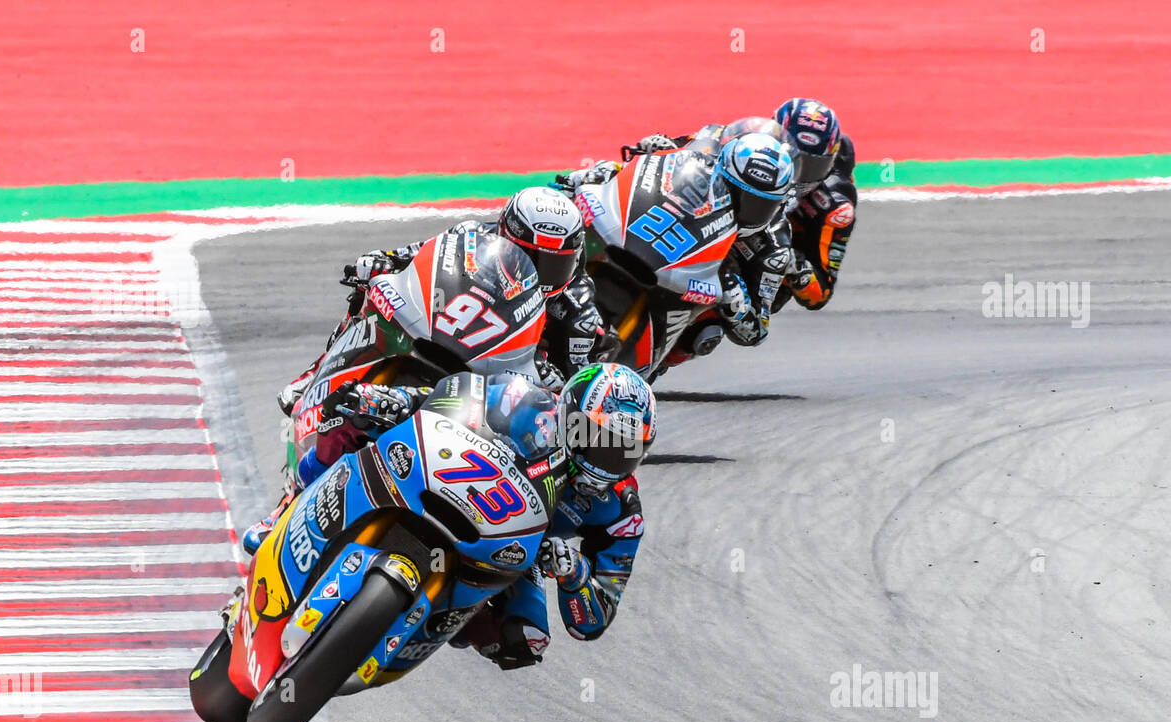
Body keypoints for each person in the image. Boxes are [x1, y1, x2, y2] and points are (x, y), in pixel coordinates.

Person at [292, 363, 657, 670]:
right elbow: (449, 397)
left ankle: (442, 622)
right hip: (456, 481)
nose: (609, 456)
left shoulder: (622, 510)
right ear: (572, 415)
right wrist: (399, 401)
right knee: (354, 412)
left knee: (527, 639)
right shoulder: (527, 402)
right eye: (602, 437)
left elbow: (593, 622)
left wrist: (573, 573)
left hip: (516, 547)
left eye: (625, 448)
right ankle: (295, 499)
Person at [275, 186, 602, 417]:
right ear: (504, 235)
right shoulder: (471, 234)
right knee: (369, 289)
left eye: (554, 265)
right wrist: (381, 261)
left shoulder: (577, 302)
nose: (540, 273)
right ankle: (315, 375)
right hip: (447, 326)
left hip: (510, 369)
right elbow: (413, 254)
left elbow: (577, 389)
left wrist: (554, 378)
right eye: (529, 256)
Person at [563, 130, 795, 359]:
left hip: (703, 287)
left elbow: (757, 332)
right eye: (735, 193)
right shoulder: (703, 156)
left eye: (758, 205)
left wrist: (737, 302)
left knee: (706, 333)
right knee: (574, 193)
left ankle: (659, 360)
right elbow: (654, 159)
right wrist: (614, 169)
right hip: (660, 238)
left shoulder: (773, 248)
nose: (743, 208)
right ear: (721, 174)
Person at [771, 98, 856, 313]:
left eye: (810, 165)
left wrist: (794, 264)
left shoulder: (836, 207)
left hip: (772, 251)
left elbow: (820, 295)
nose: (798, 173)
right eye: (791, 157)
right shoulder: (754, 144)